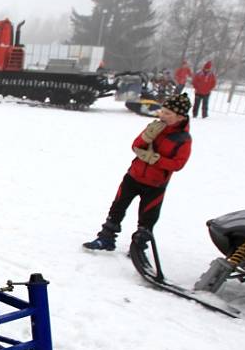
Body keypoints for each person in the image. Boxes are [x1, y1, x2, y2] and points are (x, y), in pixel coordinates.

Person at [82, 93, 192, 251]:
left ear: (180, 117)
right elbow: (136, 145)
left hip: (155, 184)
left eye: (168, 113)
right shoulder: (155, 127)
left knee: (148, 217)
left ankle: (139, 246)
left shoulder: (183, 139)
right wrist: (146, 138)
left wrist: (156, 160)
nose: (162, 115)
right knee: (117, 208)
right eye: (163, 111)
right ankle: (106, 238)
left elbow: (178, 164)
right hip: (133, 177)